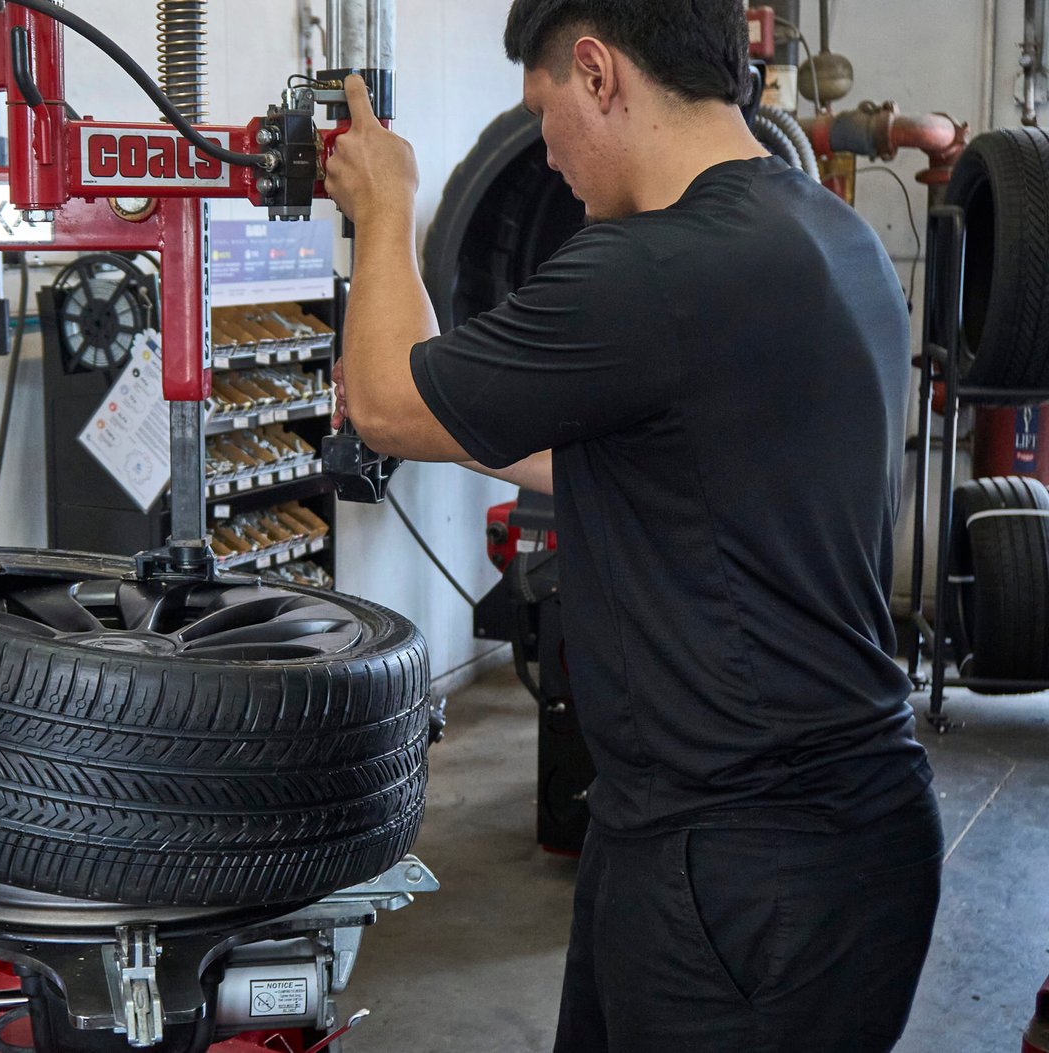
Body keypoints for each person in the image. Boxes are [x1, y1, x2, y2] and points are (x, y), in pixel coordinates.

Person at [321, 1, 942, 1050]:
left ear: (599, 73)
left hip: (748, 866)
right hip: (765, 833)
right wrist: (461, 416)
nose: (547, 151)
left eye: (543, 107)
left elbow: (381, 401)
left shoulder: (657, 268)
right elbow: (655, 464)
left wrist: (386, 207)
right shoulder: (823, 234)